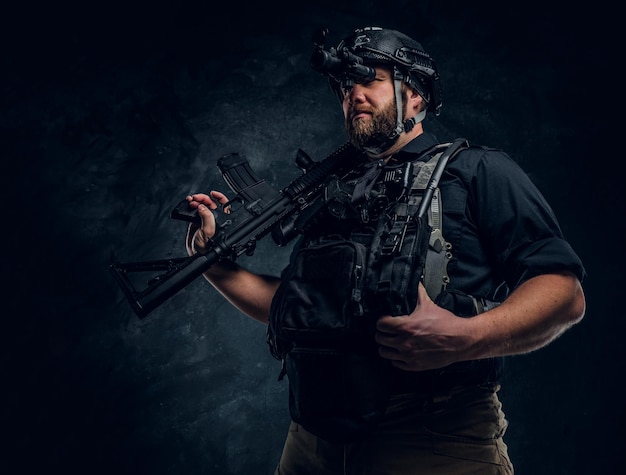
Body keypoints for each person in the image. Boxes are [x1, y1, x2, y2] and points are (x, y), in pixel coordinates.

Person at [183, 27, 586, 475]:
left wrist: (467, 338)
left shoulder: (477, 171)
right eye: (344, 86)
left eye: (369, 79)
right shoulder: (333, 190)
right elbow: (302, 307)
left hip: (434, 437)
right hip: (312, 441)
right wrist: (213, 263)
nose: (353, 94)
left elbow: (563, 291)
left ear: (415, 96)